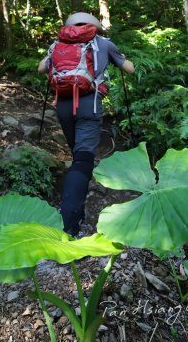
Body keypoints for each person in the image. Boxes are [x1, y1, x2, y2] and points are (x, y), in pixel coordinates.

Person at [38, 12, 134, 237]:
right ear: (95, 26)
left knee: (77, 154)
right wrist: (121, 57)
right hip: (88, 104)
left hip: (63, 105)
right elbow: (129, 69)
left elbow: (41, 68)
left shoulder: (57, 44)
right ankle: (70, 222)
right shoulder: (104, 43)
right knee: (83, 159)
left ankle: (75, 200)